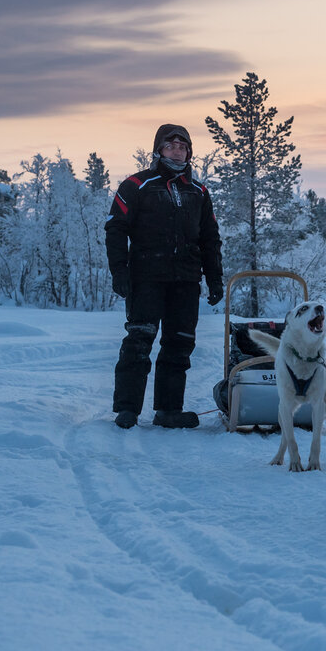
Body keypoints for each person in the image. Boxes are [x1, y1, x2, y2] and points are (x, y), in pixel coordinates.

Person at [105, 124, 224, 429]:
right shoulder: (136, 185)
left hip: (185, 280)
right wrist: (119, 271)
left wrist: (214, 278)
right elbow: (115, 229)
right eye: (170, 145)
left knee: (179, 345)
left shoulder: (198, 191)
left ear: (189, 152)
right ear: (158, 149)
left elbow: (210, 238)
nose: (176, 150)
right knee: (139, 341)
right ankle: (127, 409)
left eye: (182, 147)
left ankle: (169, 410)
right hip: (146, 277)